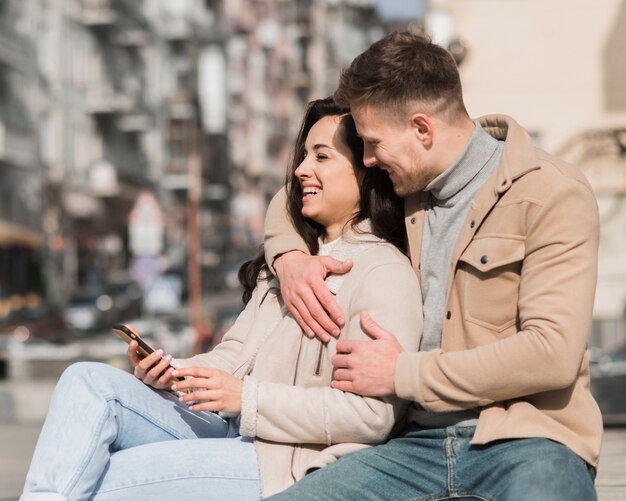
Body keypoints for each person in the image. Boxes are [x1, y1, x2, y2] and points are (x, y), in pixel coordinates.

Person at [20, 97, 422, 501]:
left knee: (102, 479)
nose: (301, 170)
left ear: (365, 169)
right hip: (231, 428)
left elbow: (372, 416)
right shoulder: (290, 263)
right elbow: (233, 357)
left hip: (285, 462)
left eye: (322, 156)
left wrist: (246, 398)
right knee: (87, 381)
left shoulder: (381, 270)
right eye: (303, 156)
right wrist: (175, 373)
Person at [265, 32, 602, 500]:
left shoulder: (551, 192)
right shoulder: (402, 188)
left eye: (373, 143)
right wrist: (289, 258)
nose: (367, 160)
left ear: (422, 129)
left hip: (529, 439)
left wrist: (404, 373)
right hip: (411, 449)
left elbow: (551, 353)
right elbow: (294, 193)